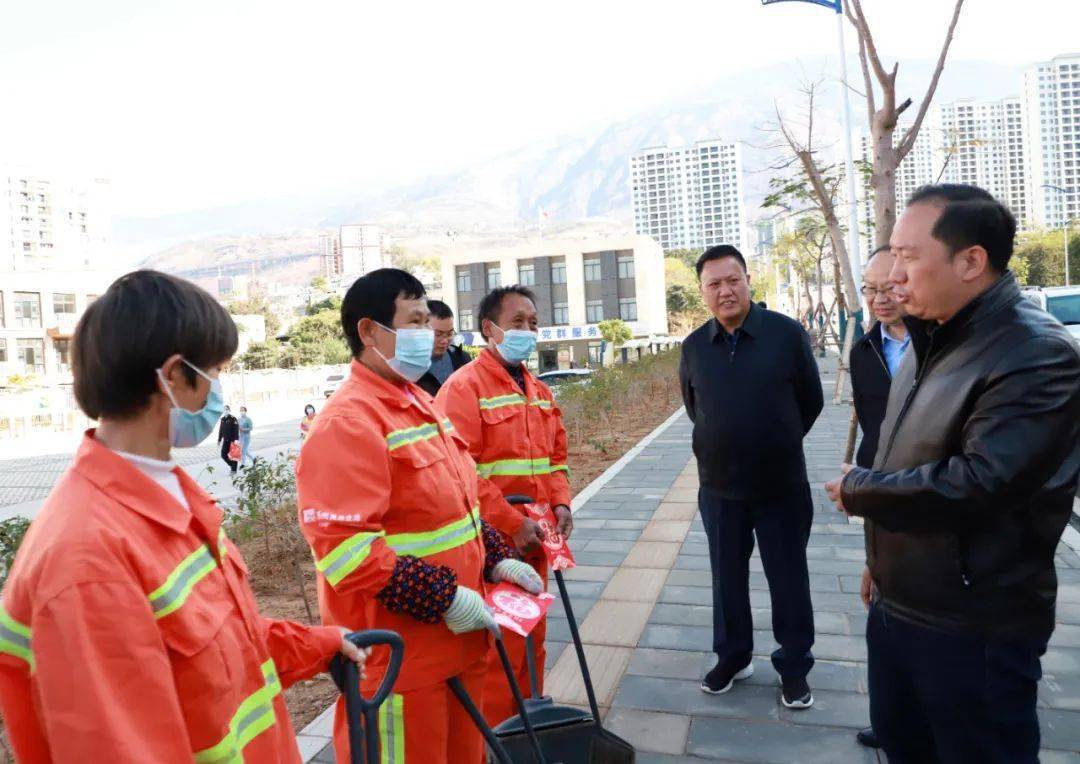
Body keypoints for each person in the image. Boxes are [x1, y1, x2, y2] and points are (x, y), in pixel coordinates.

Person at [0, 270, 367, 763]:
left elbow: (223, 645)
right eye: (217, 372)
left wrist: (317, 644)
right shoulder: (86, 560)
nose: (220, 390)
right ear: (174, 376)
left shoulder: (168, 494)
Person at [825, 184, 1080, 763]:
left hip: (973, 626)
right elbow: (903, 456)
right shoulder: (927, 337)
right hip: (900, 605)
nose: (894, 276)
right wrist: (879, 560)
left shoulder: (1032, 353)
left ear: (971, 261)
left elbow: (982, 481)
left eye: (909, 257)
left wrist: (860, 490)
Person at [295, 268, 542, 763]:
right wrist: (445, 596)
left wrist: (496, 557)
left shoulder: (419, 404)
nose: (427, 335)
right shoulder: (349, 423)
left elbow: (462, 500)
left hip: (457, 648)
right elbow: (348, 553)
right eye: (412, 321)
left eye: (427, 321)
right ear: (369, 332)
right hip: (400, 666)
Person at [679, 244, 823, 709]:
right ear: (702, 291)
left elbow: (811, 400)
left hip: (781, 487)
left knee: (788, 579)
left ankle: (795, 666)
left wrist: (774, 440)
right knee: (726, 580)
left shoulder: (786, 335)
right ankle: (733, 655)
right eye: (714, 283)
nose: (725, 290)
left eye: (732, 279)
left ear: (747, 280)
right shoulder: (695, 346)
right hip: (719, 489)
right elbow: (694, 408)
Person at [436, 285, 573, 727]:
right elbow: (460, 472)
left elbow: (555, 459)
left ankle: (532, 724)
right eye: (517, 323)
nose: (528, 331)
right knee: (498, 649)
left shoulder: (539, 390)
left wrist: (561, 503)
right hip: (493, 546)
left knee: (532, 639)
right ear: (489, 330)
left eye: (533, 323)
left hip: (536, 538)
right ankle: (500, 740)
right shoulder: (464, 388)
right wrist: (509, 522)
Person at [847, 244, 909, 751]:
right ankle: (889, 719)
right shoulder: (864, 350)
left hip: (933, 493)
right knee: (879, 605)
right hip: (880, 494)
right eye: (871, 290)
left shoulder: (943, 347)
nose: (880, 298)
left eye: (889, 287)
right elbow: (872, 426)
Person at [417, 299, 471, 397]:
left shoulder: (462, 359)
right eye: (438, 334)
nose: (445, 340)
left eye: (449, 333)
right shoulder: (408, 367)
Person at [218, 404, 240, 473]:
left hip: (233, 440)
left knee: (234, 456)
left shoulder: (233, 418)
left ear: (229, 410)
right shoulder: (222, 419)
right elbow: (221, 430)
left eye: (227, 409)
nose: (225, 410)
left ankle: (234, 470)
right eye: (224, 409)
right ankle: (231, 465)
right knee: (223, 455)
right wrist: (219, 439)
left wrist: (236, 439)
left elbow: (236, 429)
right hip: (226, 440)